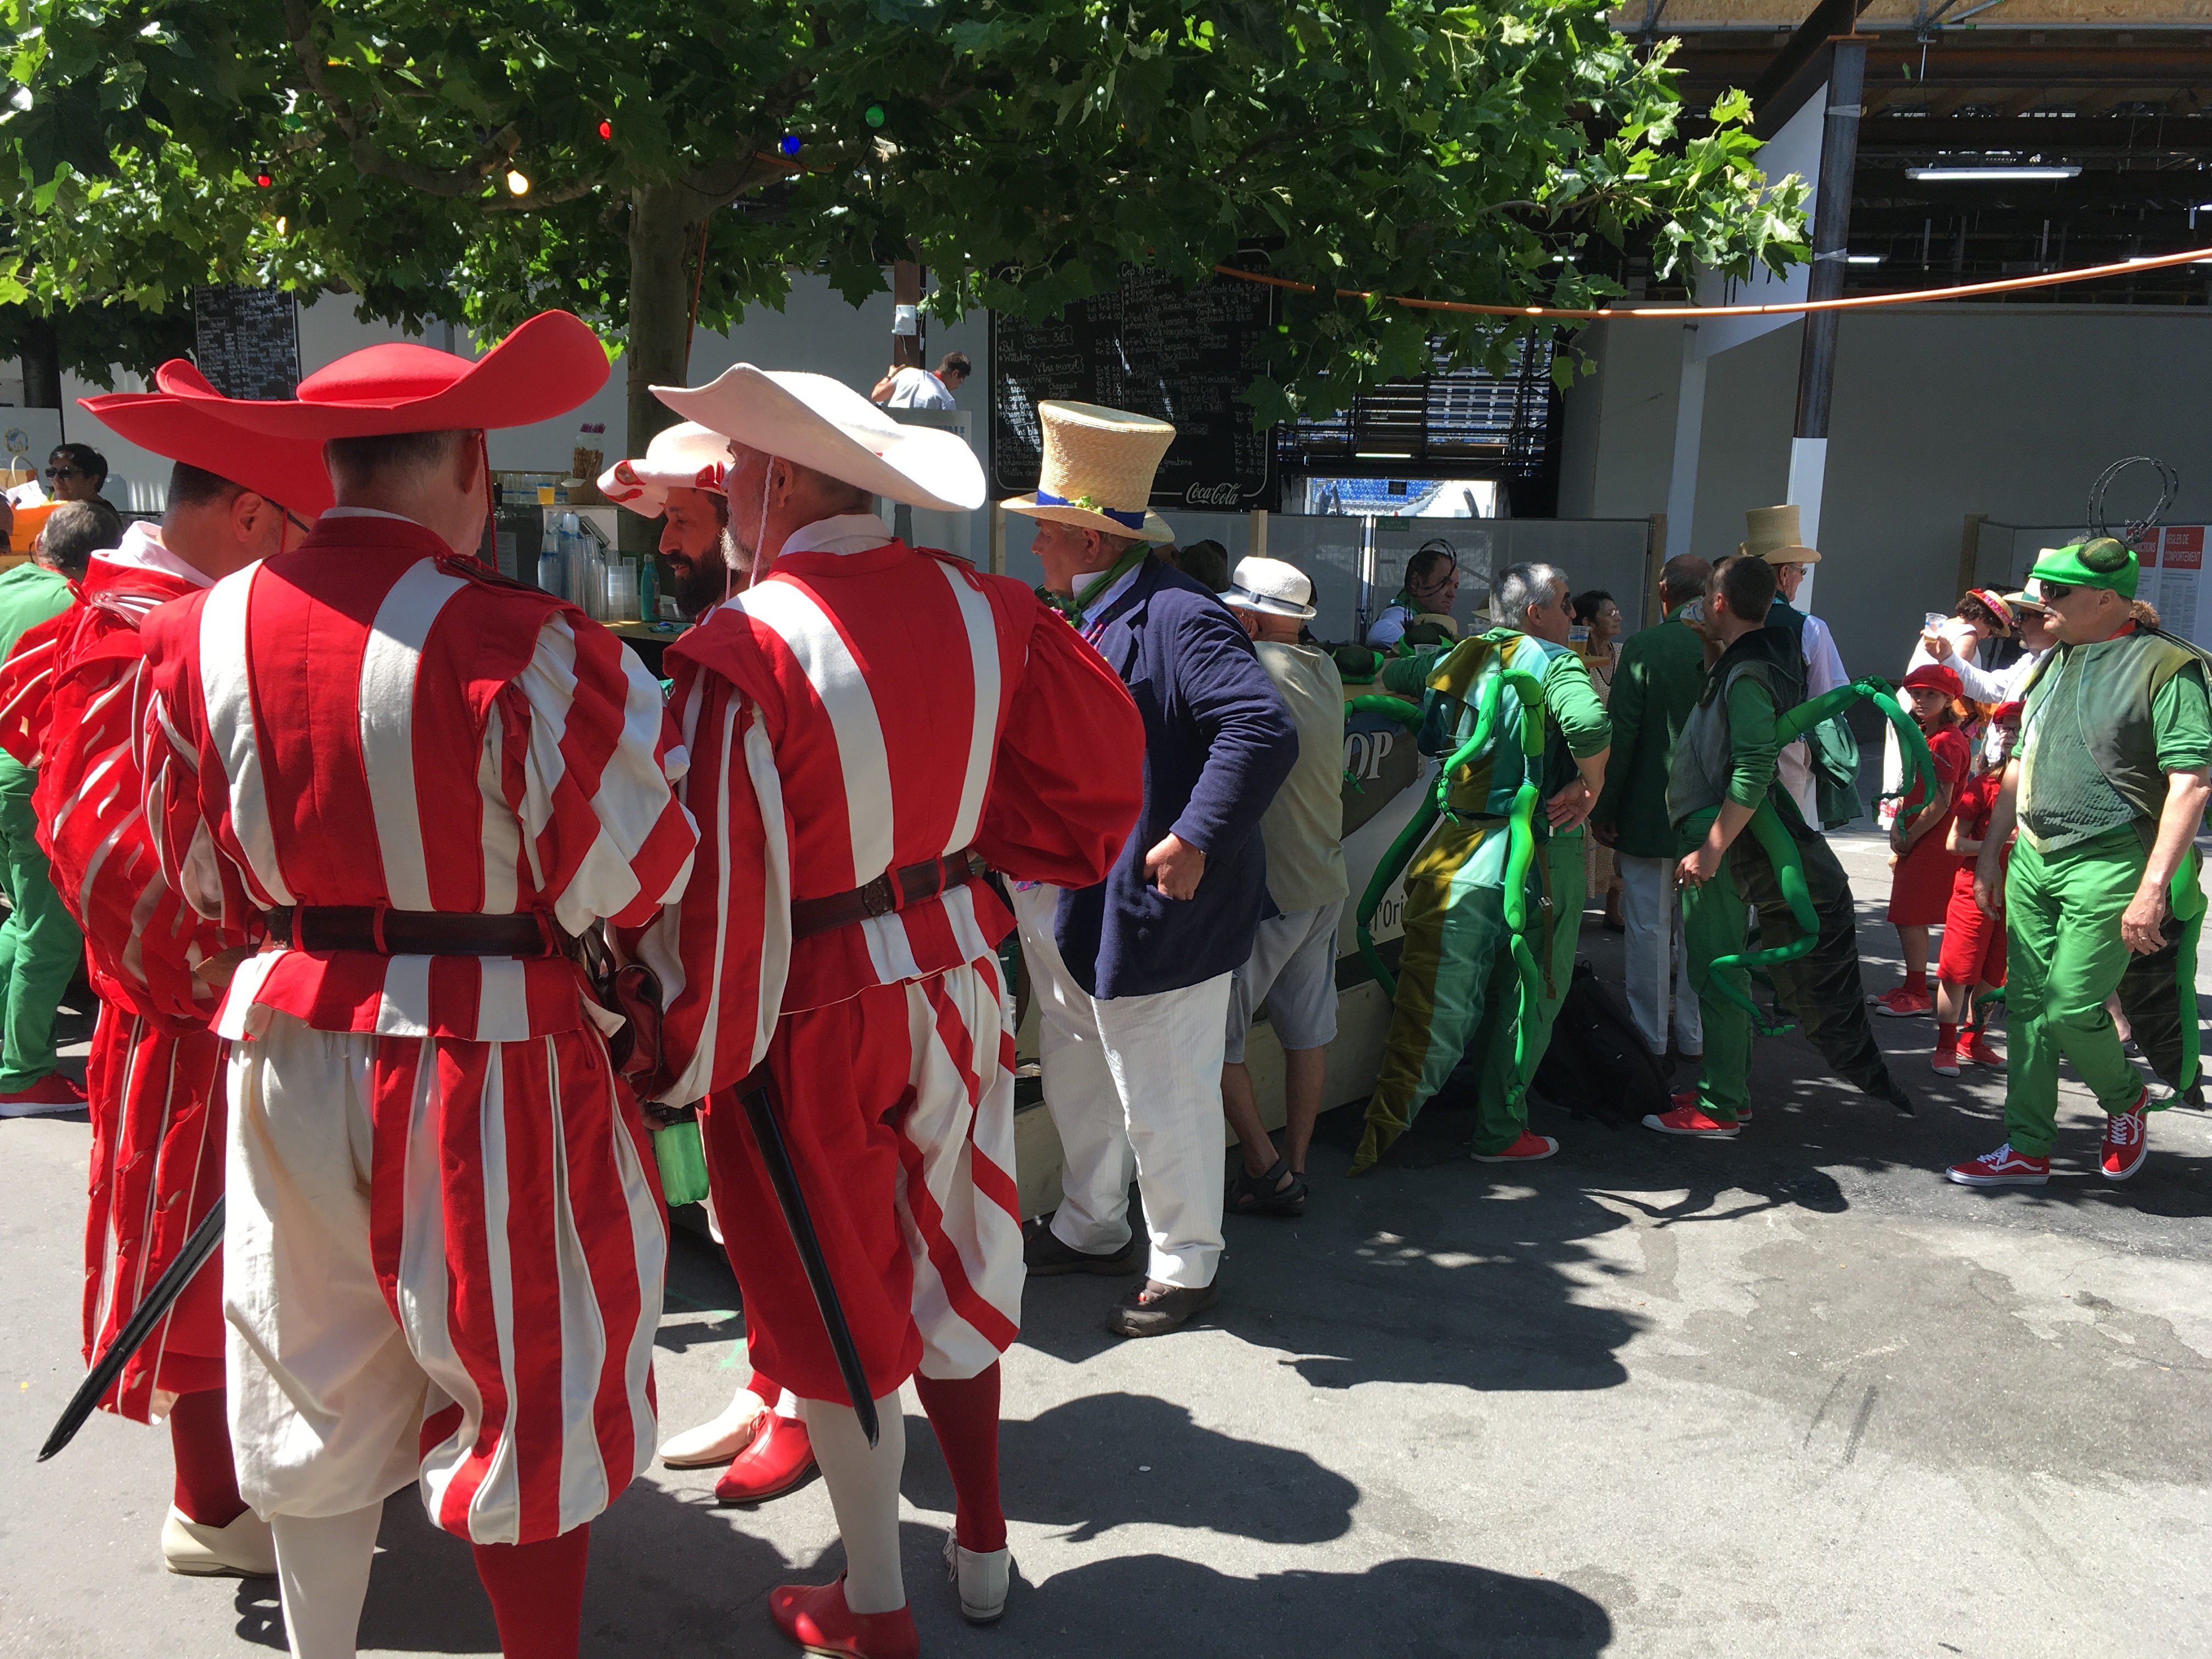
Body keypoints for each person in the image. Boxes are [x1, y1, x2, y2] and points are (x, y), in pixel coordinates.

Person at [138, 313, 698, 1659]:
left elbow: (194, 878)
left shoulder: (193, 636)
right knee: (529, 1380)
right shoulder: (523, 639)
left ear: (329, 468)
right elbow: (635, 875)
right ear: (472, 464)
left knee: (308, 1379)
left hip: (286, 1039)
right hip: (488, 1052)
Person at [626, 366, 1142, 1654]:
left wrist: (676, 1051)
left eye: (739, 470)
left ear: (785, 481)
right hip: (956, 968)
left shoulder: (742, 647)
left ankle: (871, 1606)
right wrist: (971, 854)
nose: (726, 486)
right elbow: (1090, 781)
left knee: (829, 1296)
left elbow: (713, 885)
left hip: (800, 1003)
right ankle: (982, 1545)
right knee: (959, 1257)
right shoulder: (994, 606)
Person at [0, 380, 328, 1577]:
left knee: (257, 1271)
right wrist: (243, 955)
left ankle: (253, 1486)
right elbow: (115, 857)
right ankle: (214, 1507)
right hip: (194, 1012)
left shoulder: (150, 616)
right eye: (304, 533)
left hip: (214, 1001)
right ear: (251, 516)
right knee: (206, 1274)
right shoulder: (145, 632)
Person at [1007, 400, 1296, 1340]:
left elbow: (1259, 726)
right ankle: (1091, 1224)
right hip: (1082, 899)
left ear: (1088, 540)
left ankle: (1185, 1263)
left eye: (1046, 529)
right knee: (1081, 1069)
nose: (1035, 545)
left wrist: (1196, 834)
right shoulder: (1101, 610)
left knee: (1164, 1089)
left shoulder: (1177, 613)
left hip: (1153, 904)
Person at [599, 417, 821, 1495]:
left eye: (684, 520)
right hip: (745, 959)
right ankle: (770, 1377)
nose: (668, 544)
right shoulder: (737, 629)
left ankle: (806, 1398)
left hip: (798, 969)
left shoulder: (772, 636)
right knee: (745, 1201)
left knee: (793, 1200)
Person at [1948, 539, 2211, 1189]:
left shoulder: (2168, 667)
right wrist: (1992, 852)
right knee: (2027, 1008)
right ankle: (2027, 1146)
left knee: (2069, 1006)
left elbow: (2191, 784)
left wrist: (2153, 889)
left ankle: (2126, 1100)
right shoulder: (2051, 661)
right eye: (2040, 591)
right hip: (2032, 857)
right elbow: (2021, 762)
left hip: (2112, 859)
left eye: (2056, 593)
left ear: (2106, 599)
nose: (2041, 605)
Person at [1353, 561, 1611, 1171]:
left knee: (1433, 1006)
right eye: (1566, 604)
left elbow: (1397, 675)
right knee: (1530, 993)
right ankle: (1500, 1128)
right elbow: (1590, 722)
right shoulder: (1557, 663)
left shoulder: (1461, 656)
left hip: (1454, 850)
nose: (1573, 615)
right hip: (1537, 856)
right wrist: (1590, 787)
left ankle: (1382, 1132)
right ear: (1535, 613)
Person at [1649, 555, 1909, 1138]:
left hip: (1717, 835)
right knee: (1720, 966)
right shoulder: (1752, 656)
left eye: (1707, 598)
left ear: (1720, 602)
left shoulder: (1749, 671)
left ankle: (1719, 1103)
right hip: (1721, 830)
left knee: (1714, 968)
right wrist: (1712, 644)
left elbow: (1751, 768)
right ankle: (1727, 1089)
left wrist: (1712, 849)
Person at [1215, 556, 1346, 1218]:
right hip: (1324, 879)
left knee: (1212, 1041)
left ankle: (1265, 1169)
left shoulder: (1250, 668)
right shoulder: (1326, 669)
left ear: (1250, 619)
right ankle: (1294, 1163)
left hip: (1269, 892)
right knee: (1307, 1032)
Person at [0, 501, 119, 1114]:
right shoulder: (81, 606)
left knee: (21, 919)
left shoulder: (7, 589)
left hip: (5, 779)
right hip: (31, 780)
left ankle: (11, 1050)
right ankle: (21, 1076)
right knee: (50, 932)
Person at [1590, 555, 1709, 1060]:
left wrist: (1604, 806)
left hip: (1648, 811)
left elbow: (1622, 734)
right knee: (1700, 931)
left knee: (1647, 927)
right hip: (1713, 817)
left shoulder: (1645, 647)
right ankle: (1697, 1034)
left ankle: (1650, 1035)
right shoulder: (1727, 645)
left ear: (1664, 592)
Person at [1739, 505, 1849, 826]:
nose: (1801, 578)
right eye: (1801, 571)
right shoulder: (1809, 627)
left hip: (1730, 747)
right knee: (1789, 836)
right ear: (1784, 574)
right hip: (1785, 752)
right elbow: (1824, 703)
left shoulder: (1725, 618)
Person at [1874, 663, 1972, 1018]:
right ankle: (1916, 984)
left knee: (1911, 916)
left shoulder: (1946, 741)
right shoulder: (1927, 735)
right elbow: (1912, 788)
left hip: (1932, 840)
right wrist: (1899, 825)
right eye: (1916, 692)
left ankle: (1918, 993)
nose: (1921, 699)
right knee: (1910, 915)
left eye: (1932, 694)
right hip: (1920, 835)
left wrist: (1910, 836)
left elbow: (1942, 800)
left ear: (1948, 700)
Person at [1932, 701, 2020, 1076]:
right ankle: (1945, 1047)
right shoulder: (1984, 784)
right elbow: (1953, 843)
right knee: (1957, 972)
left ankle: (1973, 1041)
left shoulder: (2044, 787)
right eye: (2006, 727)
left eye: (2019, 727)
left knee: (1994, 974)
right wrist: (1999, 845)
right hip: (1974, 890)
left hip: (2017, 895)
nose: (2011, 735)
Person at [1573, 588, 1624, 930]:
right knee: (1584, 837)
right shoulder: (1575, 658)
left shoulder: (1622, 655)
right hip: (1587, 760)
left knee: (1614, 836)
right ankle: (1575, 906)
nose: (1618, 617)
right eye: (1610, 613)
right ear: (1588, 623)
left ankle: (1612, 909)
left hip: (1615, 759)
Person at [1366, 538, 1460, 649]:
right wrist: (1423, 647)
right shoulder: (1401, 613)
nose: (1452, 594)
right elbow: (1379, 632)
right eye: (1444, 583)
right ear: (1415, 583)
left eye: (1455, 586)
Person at [868, 351, 970, 409]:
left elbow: (877, 396)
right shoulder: (946, 400)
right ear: (955, 373)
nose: (957, 387)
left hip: (894, 436)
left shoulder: (907, 373)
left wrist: (890, 375)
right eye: (960, 382)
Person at [45, 442, 113, 508]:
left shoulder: (93, 514)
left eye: (65, 473)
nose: (56, 479)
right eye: (52, 473)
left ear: (92, 479)